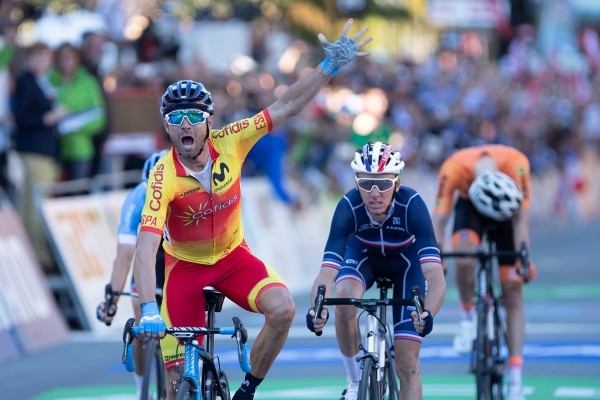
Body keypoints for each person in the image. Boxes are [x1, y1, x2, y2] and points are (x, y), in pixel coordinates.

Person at [132, 18, 372, 400]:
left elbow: (288, 104)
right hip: (185, 271)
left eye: (194, 115)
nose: (186, 124)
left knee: (283, 310)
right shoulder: (164, 175)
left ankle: (248, 389)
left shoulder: (232, 140)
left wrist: (328, 67)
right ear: (166, 126)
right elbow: (145, 247)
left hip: (233, 258)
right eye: (176, 118)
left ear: (209, 120)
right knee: (174, 388)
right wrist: (147, 306)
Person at [307, 141, 446, 400]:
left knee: (408, 365)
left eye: (382, 184)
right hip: (363, 258)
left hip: (406, 266)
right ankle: (353, 381)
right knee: (345, 299)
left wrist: (428, 313)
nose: (374, 193)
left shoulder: (412, 206)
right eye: (365, 183)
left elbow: (435, 277)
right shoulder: (348, 206)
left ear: (397, 184)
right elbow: (326, 273)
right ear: (356, 183)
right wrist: (318, 307)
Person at [432, 144, 537, 400]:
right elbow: (440, 219)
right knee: (465, 258)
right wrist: (438, 258)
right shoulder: (453, 167)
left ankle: (515, 378)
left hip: (506, 208)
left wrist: (523, 257)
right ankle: (468, 319)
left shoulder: (517, 163)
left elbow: (521, 219)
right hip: (470, 207)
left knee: (512, 293)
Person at [95, 149, 167, 400]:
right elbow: (124, 257)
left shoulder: (187, 190)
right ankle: (141, 389)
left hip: (181, 257)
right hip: (149, 258)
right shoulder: (138, 197)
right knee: (141, 320)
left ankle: (194, 370)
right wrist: (111, 301)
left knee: (187, 319)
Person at [12, 42, 68, 272]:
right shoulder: (26, 82)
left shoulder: (39, 82)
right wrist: (48, 118)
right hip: (33, 150)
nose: (43, 62)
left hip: (41, 150)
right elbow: (21, 117)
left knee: (32, 201)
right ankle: (36, 255)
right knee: (35, 203)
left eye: (46, 58)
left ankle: (31, 252)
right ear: (30, 58)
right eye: (38, 57)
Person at [49, 42, 107, 181]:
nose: (66, 61)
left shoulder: (88, 82)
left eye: (70, 57)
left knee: (77, 192)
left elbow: (98, 116)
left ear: (77, 58)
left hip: (80, 147)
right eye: (62, 57)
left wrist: (75, 126)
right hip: (52, 146)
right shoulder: (49, 79)